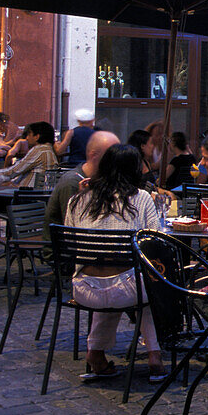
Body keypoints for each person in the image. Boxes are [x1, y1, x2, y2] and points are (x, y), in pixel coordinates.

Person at [63, 143, 165, 381]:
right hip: (128, 290)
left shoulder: (78, 200)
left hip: (83, 289)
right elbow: (155, 241)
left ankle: (95, 354)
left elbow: (69, 238)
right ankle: (155, 356)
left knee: (113, 281)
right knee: (147, 282)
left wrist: (81, 194)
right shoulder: (141, 199)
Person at [44, 130, 121, 245]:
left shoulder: (97, 179)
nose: (116, 160)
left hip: (84, 246)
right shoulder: (72, 183)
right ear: (93, 155)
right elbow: (73, 226)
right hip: (65, 251)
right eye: (110, 155)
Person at [0, 121, 59, 188]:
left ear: (37, 137)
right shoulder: (48, 149)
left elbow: (15, 171)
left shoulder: (39, 150)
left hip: (29, 194)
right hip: (39, 192)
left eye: (29, 134)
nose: (27, 138)